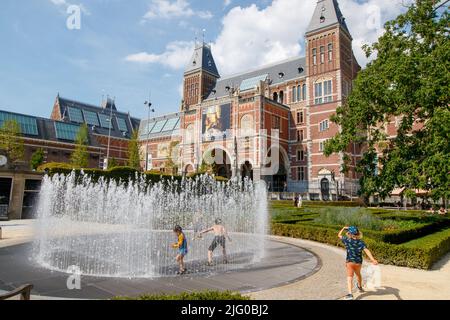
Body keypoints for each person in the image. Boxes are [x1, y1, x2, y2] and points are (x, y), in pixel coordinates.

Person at [338, 226, 378, 300]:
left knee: (349, 278)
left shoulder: (347, 240)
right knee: (358, 274)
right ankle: (359, 286)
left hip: (350, 262)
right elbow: (366, 250)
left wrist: (343, 228)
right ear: (358, 233)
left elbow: (339, 235)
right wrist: (373, 260)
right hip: (358, 263)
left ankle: (350, 294)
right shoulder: (361, 242)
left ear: (349, 233)